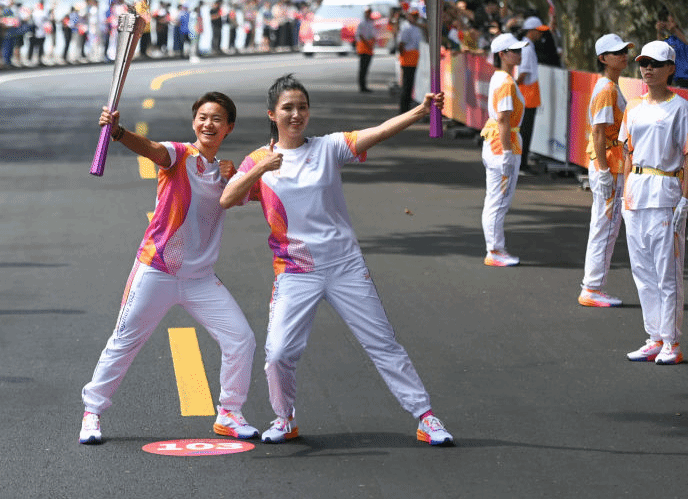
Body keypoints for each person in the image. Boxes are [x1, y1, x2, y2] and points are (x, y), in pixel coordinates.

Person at [219, 74, 453, 447]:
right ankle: (284, 418)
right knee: (278, 353)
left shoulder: (329, 148)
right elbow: (227, 198)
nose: (296, 115)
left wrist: (420, 111)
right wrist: (261, 168)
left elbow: (378, 132)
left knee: (382, 343)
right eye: (288, 108)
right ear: (271, 114)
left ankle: (426, 417)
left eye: (302, 107)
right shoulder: (259, 160)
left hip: (345, 266)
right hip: (296, 272)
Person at [80, 93, 258, 445]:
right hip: (157, 270)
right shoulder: (179, 155)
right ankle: (92, 412)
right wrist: (119, 133)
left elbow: (245, 197)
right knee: (125, 341)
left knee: (242, 340)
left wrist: (236, 176)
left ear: (229, 128)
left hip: (200, 279)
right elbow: (151, 149)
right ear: (194, 122)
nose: (209, 123)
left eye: (217, 119)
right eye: (203, 117)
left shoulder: (226, 173)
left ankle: (229, 413)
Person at [620, 40, 686, 365]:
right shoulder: (633, 106)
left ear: (670, 69)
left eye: (656, 64)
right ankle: (654, 336)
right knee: (642, 270)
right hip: (635, 192)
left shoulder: (680, 108)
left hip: (665, 193)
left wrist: (685, 200)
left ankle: (672, 342)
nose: (648, 69)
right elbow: (625, 151)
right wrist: (622, 191)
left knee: (667, 273)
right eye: (644, 63)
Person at [578, 34, 632, 307]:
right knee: (606, 227)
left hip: (610, 161)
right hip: (608, 163)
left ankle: (593, 286)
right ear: (603, 59)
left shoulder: (610, 85)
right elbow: (598, 132)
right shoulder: (606, 89)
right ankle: (593, 288)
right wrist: (602, 171)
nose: (623, 55)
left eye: (624, 50)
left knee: (604, 226)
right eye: (616, 52)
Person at [480, 33, 528, 267]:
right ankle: (495, 250)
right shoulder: (506, 82)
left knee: (495, 200)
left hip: (497, 143)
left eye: (520, 50)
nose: (519, 54)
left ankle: (495, 248)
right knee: (499, 202)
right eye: (514, 51)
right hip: (502, 145)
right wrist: (507, 153)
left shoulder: (501, 78)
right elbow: (503, 119)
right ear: (502, 55)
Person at [516, 16, 547, 172]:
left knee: (525, 131)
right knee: (525, 131)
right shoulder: (527, 47)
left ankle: (522, 163)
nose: (540, 34)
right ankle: (521, 164)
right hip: (527, 93)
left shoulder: (528, 46)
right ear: (531, 31)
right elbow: (524, 72)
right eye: (538, 31)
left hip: (529, 92)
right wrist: (515, 86)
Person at [397, 10, 424, 112]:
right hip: (408, 59)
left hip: (416, 58)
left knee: (412, 86)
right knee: (407, 86)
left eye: (416, 16)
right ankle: (403, 110)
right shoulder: (406, 28)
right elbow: (401, 44)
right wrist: (403, 55)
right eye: (413, 16)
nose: (415, 18)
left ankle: (408, 108)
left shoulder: (418, 27)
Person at [656, 9, 688, 88]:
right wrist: (659, 32)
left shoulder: (684, 34)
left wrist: (675, 30)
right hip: (681, 79)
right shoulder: (670, 39)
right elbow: (659, 50)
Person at [355, 7, 376, 93]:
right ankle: (362, 86)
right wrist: (368, 44)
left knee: (366, 68)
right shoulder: (362, 23)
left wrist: (371, 44)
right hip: (363, 48)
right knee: (362, 68)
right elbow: (360, 35)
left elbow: (373, 35)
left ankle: (364, 85)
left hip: (369, 48)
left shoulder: (371, 23)